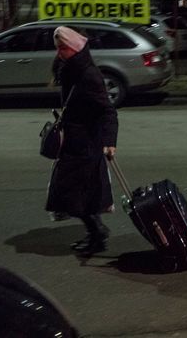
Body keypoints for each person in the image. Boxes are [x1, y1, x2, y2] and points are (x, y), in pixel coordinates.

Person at [46, 26, 118, 255]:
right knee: (80, 196)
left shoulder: (88, 75)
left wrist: (109, 141)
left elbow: (108, 111)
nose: (59, 53)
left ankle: (97, 235)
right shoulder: (71, 68)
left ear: (75, 48)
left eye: (63, 48)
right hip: (75, 143)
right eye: (58, 48)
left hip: (87, 145)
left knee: (71, 195)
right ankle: (95, 233)